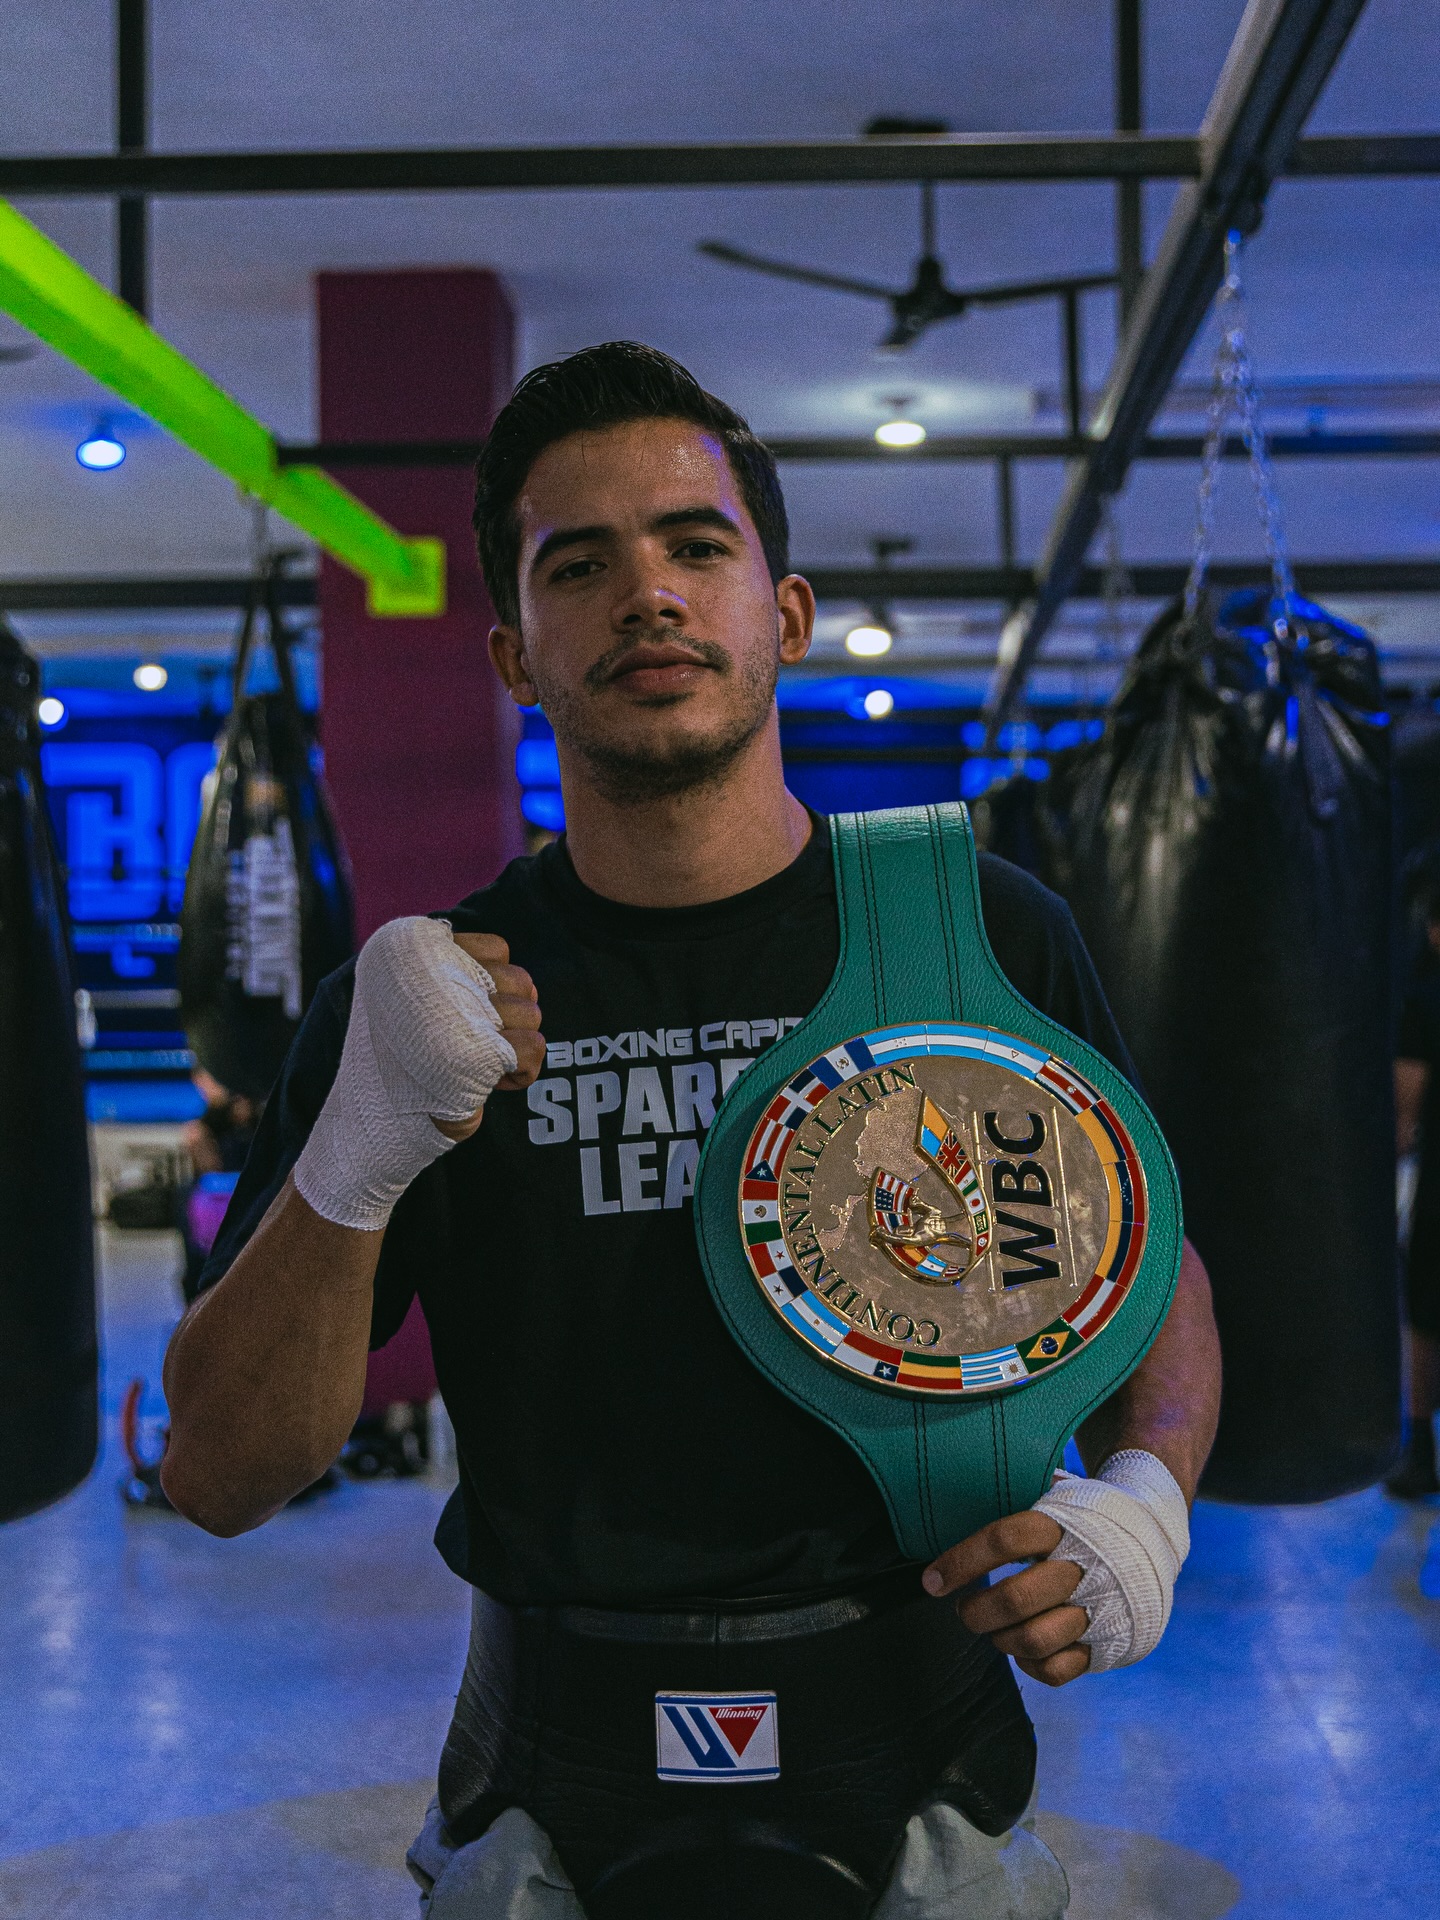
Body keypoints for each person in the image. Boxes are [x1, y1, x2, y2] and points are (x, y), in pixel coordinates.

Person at [161, 343, 1222, 1919]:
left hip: (921, 1746)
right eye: (579, 565)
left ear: (782, 615)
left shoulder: (975, 936)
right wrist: (357, 1149)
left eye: (694, 545)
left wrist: (1150, 1494)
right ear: (516, 655)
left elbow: (1150, 1259)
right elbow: (220, 1471)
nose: (647, 595)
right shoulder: (433, 1003)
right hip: (550, 1765)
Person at [1389, 877, 1440, 1498]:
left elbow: (1404, 1112)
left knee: (1425, 1315)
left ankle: (1421, 1450)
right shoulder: (1424, 1001)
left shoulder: (1425, 999)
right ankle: (1421, 1449)